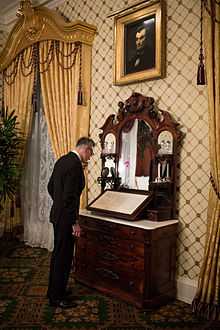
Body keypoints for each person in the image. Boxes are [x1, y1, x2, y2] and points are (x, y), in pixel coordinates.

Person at [47, 137, 95, 308]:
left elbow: (50, 187)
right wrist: (74, 222)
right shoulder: (75, 165)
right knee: (64, 257)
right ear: (85, 149)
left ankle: (53, 291)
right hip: (66, 219)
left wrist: (59, 205)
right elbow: (69, 198)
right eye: (91, 152)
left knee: (58, 255)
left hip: (57, 216)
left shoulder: (62, 160)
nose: (91, 156)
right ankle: (57, 297)